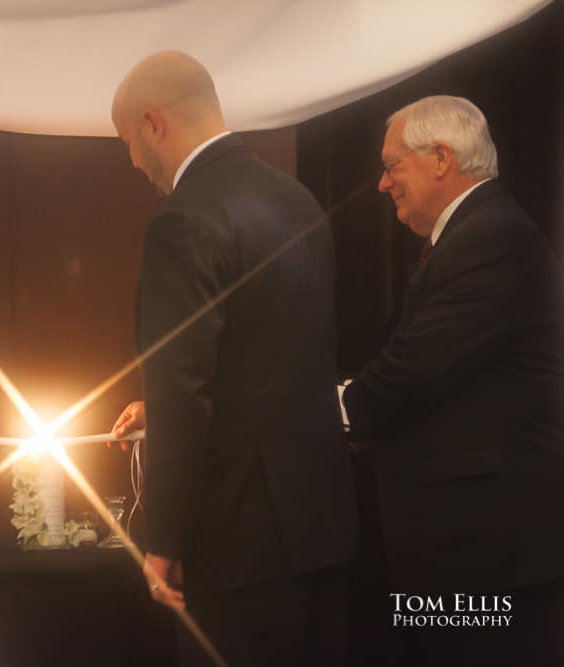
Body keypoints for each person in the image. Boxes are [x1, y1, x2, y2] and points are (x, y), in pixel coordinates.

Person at [109, 51, 357, 667]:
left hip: (235, 536)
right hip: (321, 523)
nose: (132, 161)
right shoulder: (296, 198)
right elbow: (275, 354)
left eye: (127, 141)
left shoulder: (182, 220)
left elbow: (183, 389)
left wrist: (162, 538)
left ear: (153, 123)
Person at [342, 95, 564, 666]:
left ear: (441, 158)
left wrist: (321, 408)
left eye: (392, 166)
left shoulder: (489, 236)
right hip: (470, 546)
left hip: (485, 553)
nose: (382, 183)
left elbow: (409, 373)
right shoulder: (476, 231)